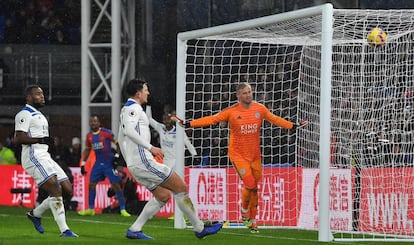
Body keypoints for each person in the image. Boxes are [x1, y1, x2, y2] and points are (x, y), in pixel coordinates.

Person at [172, 82, 308, 233]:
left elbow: (275, 119)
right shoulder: (231, 111)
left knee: (255, 188)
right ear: (238, 96)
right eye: (244, 93)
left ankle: (253, 222)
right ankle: (244, 211)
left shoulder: (260, 108)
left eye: (249, 92)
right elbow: (212, 119)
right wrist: (189, 124)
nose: (248, 95)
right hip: (238, 155)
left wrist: (293, 126)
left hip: (255, 155)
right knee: (250, 184)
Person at [118, 78, 222, 240]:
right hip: (144, 162)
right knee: (180, 187)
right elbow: (130, 132)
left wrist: (129, 163)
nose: (148, 92)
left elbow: (120, 137)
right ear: (138, 93)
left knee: (163, 196)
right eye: (146, 89)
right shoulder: (134, 109)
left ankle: (135, 229)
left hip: (136, 163)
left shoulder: (126, 110)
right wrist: (150, 147)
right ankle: (200, 228)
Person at [14, 84, 78, 237]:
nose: (42, 96)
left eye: (42, 94)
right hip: (33, 156)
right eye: (38, 94)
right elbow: (19, 138)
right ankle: (65, 230)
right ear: (29, 97)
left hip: (45, 155)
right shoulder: (24, 114)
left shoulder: (40, 114)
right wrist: (41, 139)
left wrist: (47, 142)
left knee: (67, 189)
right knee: (55, 189)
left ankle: (35, 214)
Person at [77, 115, 130, 217]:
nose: (93, 123)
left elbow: (118, 143)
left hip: (108, 163)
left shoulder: (106, 133)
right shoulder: (89, 136)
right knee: (91, 184)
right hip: (98, 163)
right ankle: (91, 209)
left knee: (116, 185)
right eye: (91, 121)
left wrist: (117, 156)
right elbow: (87, 150)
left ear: (99, 123)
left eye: (95, 121)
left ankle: (123, 209)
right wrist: (83, 164)